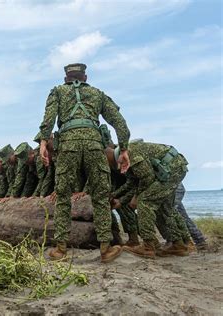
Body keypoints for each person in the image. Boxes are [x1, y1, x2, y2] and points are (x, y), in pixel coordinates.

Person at [38, 63, 131, 263]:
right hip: (94, 145)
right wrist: (123, 149)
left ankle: (61, 249)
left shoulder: (58, 92)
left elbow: (48, 119)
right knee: (100, 197)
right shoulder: (98, 94)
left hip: (68, 145)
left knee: (62, 197)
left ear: (66, 79)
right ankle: (105, 248)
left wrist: (44, 142)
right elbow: (119, 122)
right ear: (85, 78)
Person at [106, 141, 191, 258]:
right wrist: (118, 198)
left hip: (171, 169)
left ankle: (148, 246)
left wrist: (136, 197)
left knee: (145, 203)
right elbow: (132, 182)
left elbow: (147, 178)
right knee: (165, 208)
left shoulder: (130, 153)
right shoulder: (123, 157)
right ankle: (178, 245)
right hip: (171, 169)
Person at [174, 183, 207, 249]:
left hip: (174, 189)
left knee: (173, 214)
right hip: (172, 189)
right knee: (181, 215)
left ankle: (197, 241)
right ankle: (199, 240)